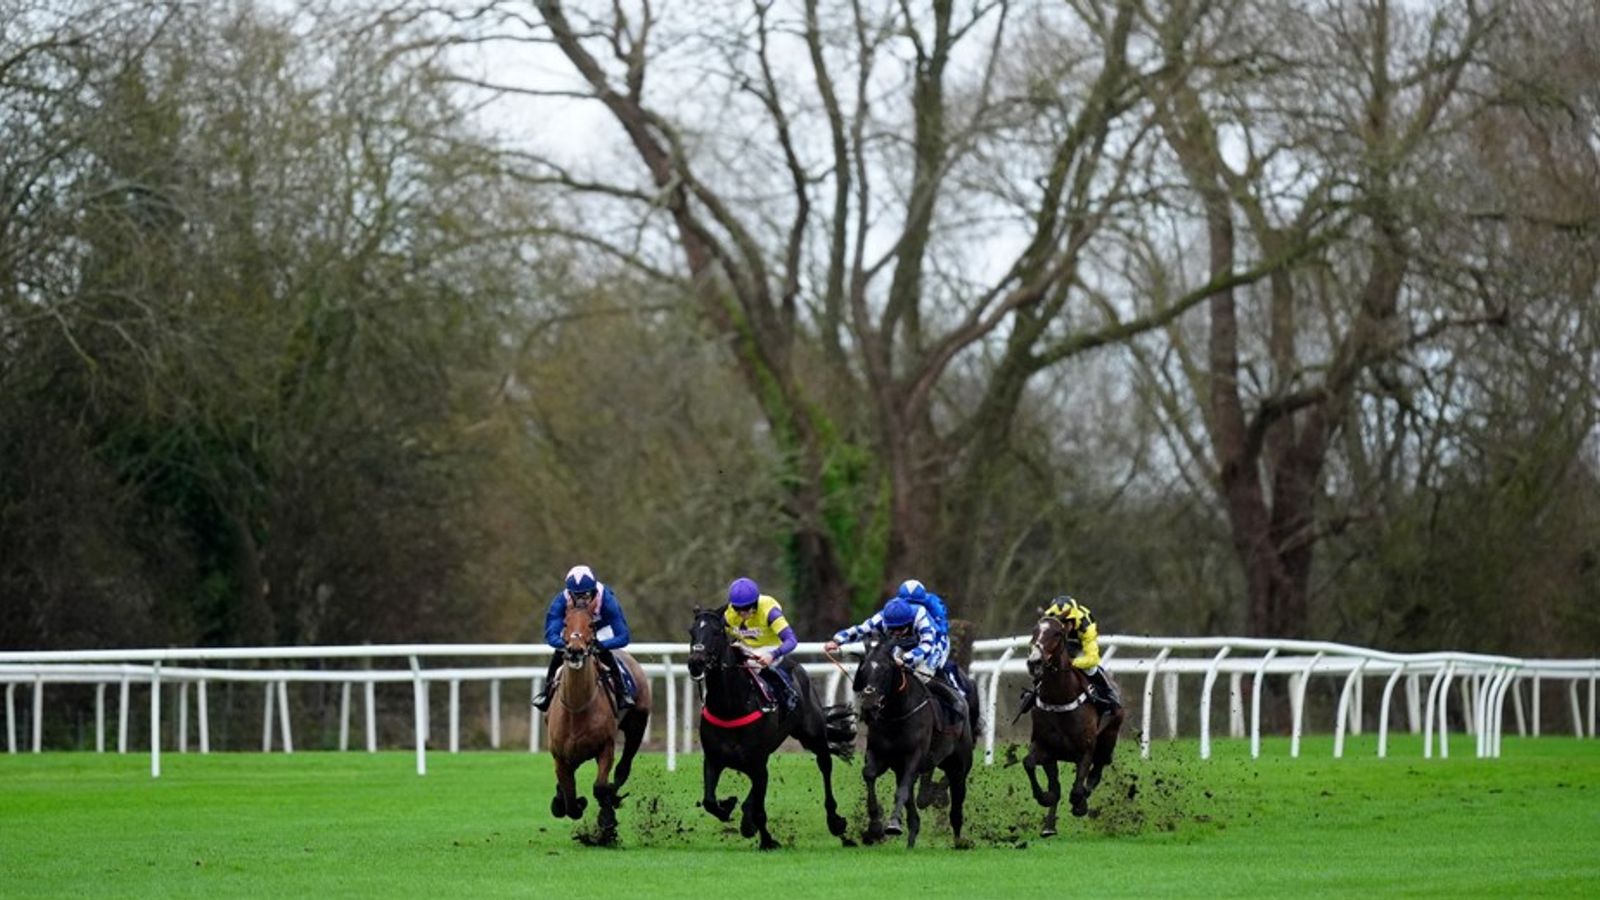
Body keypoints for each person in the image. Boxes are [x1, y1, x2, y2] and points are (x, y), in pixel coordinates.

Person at [824, 579, 968, 714]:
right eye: (893, 629)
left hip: (933, 644)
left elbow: (927, 645)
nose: (897, 633)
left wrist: (907, 659)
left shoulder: (921, 616)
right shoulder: (885, 616)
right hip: (905, 646)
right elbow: (862, 629)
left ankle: (955, 700)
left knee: (922, 675)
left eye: (901, 629)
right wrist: (838, 640)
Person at [531, 564, 635, 713]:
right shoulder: (560, 601)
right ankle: (546, 693)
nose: (582, 601)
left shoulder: (608, 600)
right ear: (570, 593)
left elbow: (623, 637)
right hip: (575, 630)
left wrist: (602, 645)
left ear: (593, 591)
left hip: (600, 629)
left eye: (586, 595)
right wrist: (564, 644)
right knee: (559, 653)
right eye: (577, 596)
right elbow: (551, 634)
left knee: (605, 654)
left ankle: (622, 693)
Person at [1020, 595, 1121, 714]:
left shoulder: (1086, 626)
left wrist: (1072, 663)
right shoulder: (1049, 617)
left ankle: (1109, 694)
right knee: (1046, 664)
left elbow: (1093, 659)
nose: (1064, 627)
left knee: (1090, 668)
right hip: (1059, 643)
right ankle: (1034, 693)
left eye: (1067, 623)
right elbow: (1037, 642)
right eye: (1061, 623)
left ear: (1073, 621)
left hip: (1080, 645)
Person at [722, 577, 800, 713]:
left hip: (771, 647)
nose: (742, 613)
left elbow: (791, 640)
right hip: (746, 647)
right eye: (737, 609)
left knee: (755, 667)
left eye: (746, 608)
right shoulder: (729, 614)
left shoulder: (770, 612)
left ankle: (784, 697)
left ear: (755, 603)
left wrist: (772, 654)